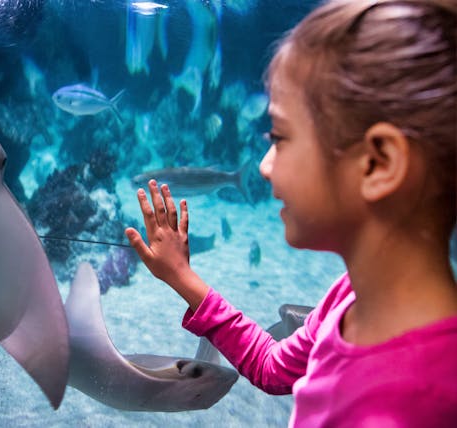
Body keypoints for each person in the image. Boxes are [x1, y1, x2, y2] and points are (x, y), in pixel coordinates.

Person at [124, 0, 457, 426]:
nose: (264, 166)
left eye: (280, 138)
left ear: (378, 164)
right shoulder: (350, 297)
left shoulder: (424, 401)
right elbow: (274, 368)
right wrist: (181, 277)